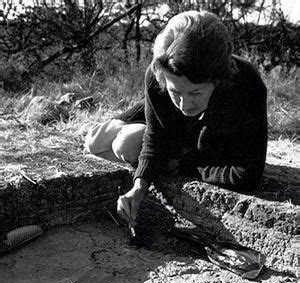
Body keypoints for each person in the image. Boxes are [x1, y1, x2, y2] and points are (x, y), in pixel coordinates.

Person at [85, 10, 268, 228]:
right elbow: (155, 138)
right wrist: (138, 187)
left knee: (127, 145)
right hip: (174, 126)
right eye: (175, 92)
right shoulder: (159, 74)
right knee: (93, 144)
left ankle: (131, 124)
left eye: (196, 93)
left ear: (218, 81)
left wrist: (183, 166)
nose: (184, 104)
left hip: (198, 137)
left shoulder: (247, 87)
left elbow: (246, 175)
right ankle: (122, 120)